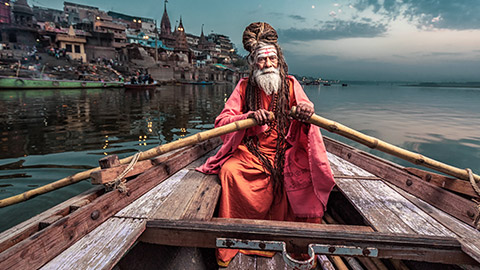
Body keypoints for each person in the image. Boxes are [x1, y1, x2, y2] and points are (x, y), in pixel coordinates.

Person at [197, 22, 335, 267]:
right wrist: (247, 118)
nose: (268, 64)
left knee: (309, 174)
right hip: (253, 152)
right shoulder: (243, 87)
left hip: (288, 150)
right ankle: (239, 241)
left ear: (279, 60)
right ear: (253, 62)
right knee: (230, 172)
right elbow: (222, 122)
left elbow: (308, 111)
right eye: (261, 60)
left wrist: (306, 110)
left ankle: (296, 242)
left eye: (272, 59)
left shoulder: (292, 84)